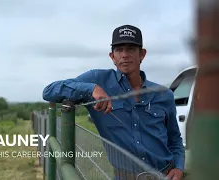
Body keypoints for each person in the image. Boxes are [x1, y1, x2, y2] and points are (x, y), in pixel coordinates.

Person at [42, 24, 185, 180]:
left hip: (165, 175)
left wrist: (178, 166)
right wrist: (91, 89)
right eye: (119, 50)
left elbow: (174, 138)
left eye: (131, 49)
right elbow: (49, 91)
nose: (124, 55)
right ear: (112, 56)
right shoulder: (97, 79)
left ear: (142, 54)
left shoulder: (164, 95)